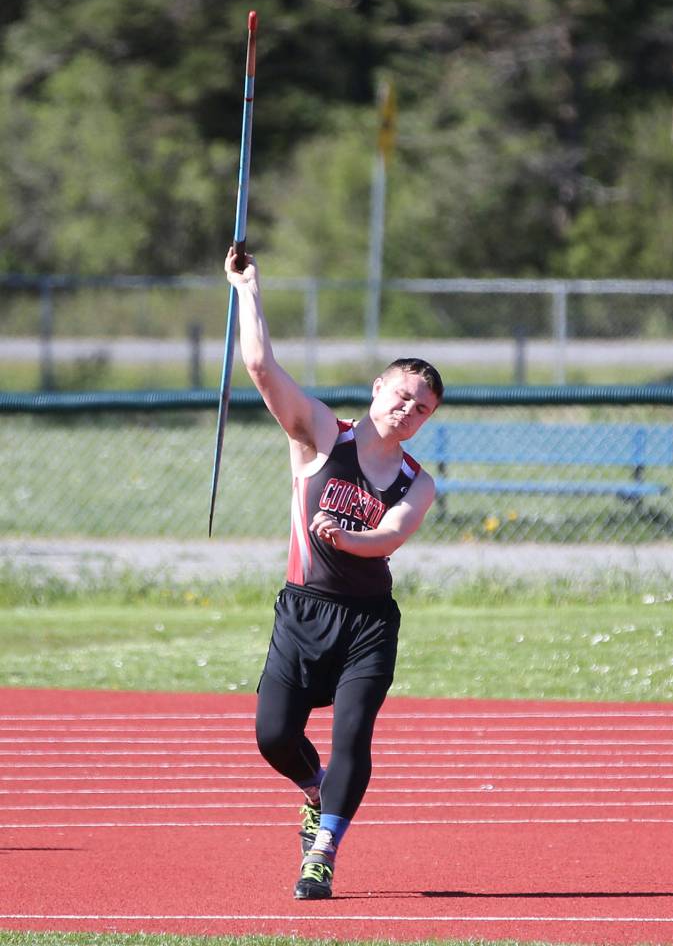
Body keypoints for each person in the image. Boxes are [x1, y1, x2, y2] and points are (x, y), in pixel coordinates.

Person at [224, 245, 443, 900]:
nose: (407, 411)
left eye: (422, 408)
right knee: (273, 736)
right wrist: (247, 289)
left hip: (367, 624)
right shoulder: (321, 435)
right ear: (378, 388)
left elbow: (387, 538)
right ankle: (312, 791)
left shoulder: (417, 480)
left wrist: (351, 536)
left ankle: (322, 852)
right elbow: (261, 367)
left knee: (352, 730)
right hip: (303, 610)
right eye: (402, 396)